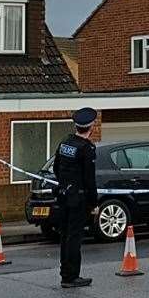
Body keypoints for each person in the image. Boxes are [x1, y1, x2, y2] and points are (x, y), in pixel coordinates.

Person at [53, 107, 98, 288]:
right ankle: (71, 276)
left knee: (65, 236)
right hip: (78, 200)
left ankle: (65, 272)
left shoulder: (65, 143)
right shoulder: (86, 149)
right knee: (74, 238)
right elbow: (89, 180)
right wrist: (93, 202)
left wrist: (65, 183)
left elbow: (56, 168)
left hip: (64, 195)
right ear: (91, 126)